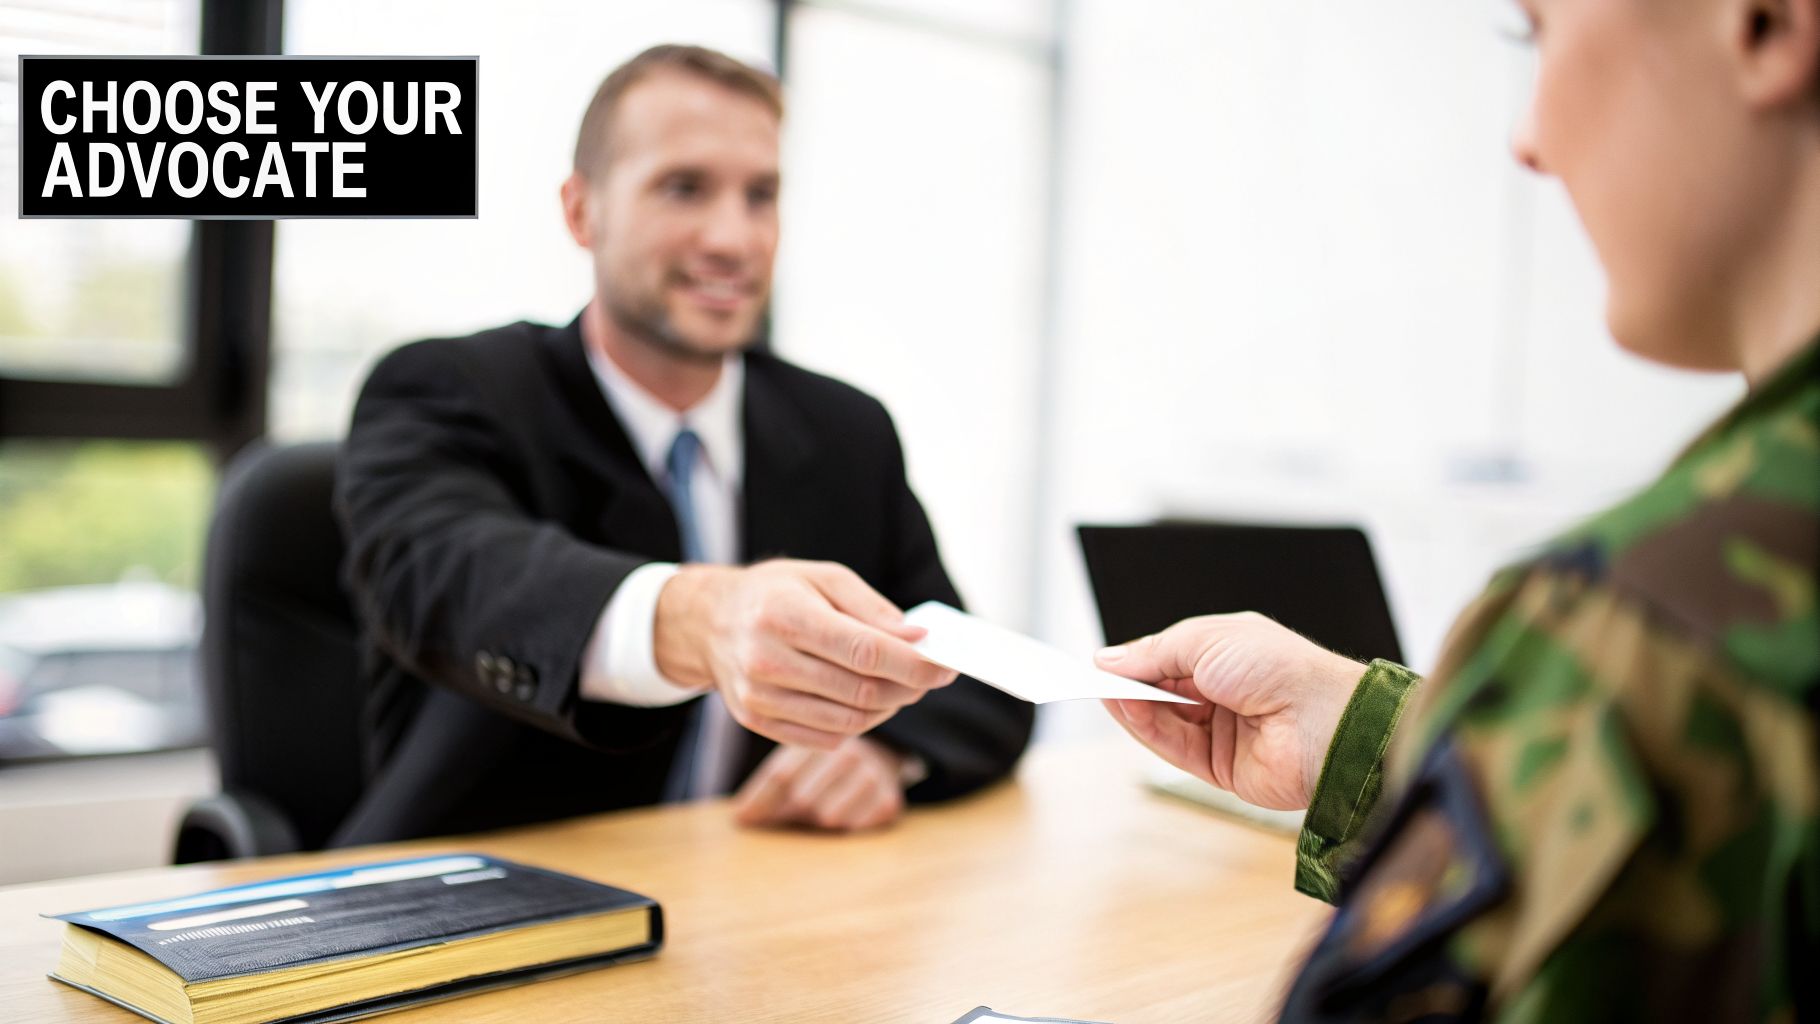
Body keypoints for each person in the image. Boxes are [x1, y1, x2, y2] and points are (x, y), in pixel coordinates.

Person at [1097, 0, 1819, 1019]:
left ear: (1766, 26)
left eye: (1537, 33)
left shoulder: (1638, 636)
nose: (1528, 140)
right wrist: (1369, 734)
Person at [332, 45, 1033, 845]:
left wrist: (885, 757)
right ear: (581, 210)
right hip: (477, 905)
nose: (733, 239)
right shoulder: (448, 389)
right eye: (684, 188)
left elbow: (976, 676)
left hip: (740, 903)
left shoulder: (846, 431)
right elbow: (452, 574)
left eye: (760, 195)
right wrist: (701, 620)